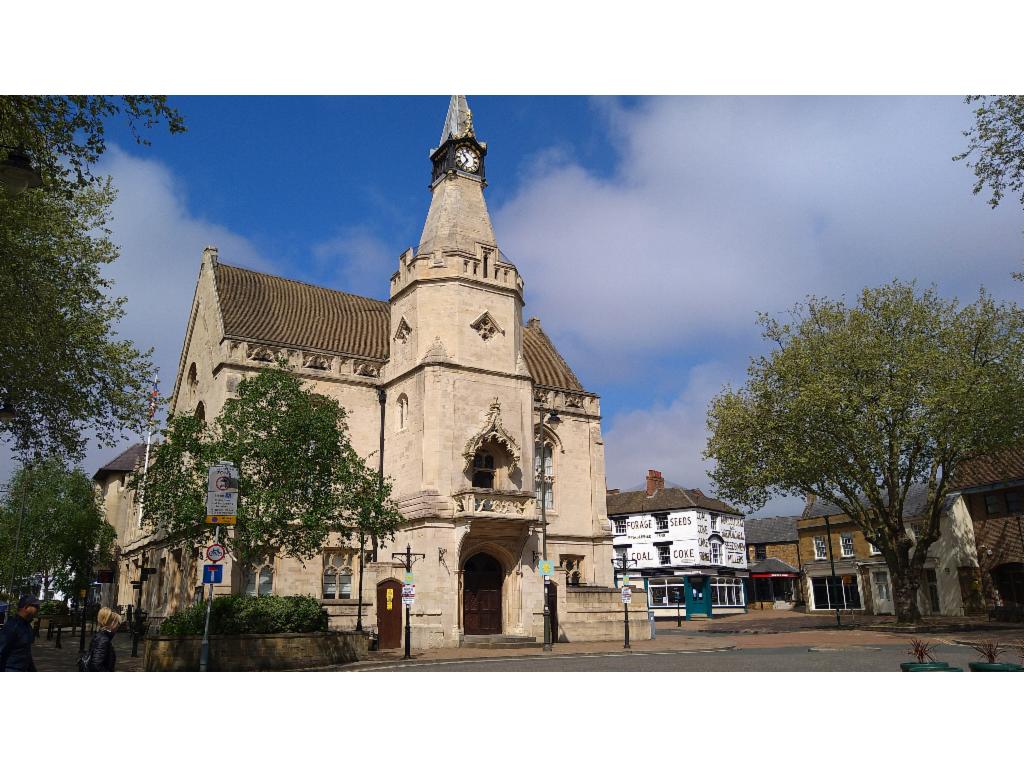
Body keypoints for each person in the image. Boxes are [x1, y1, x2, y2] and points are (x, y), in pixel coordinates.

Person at [0, 595, 40, 672]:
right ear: (26, 607)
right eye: (36, 606)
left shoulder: (27, 626)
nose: (38, 609)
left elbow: (26, 652)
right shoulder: (12, 626)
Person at [84, 607, 122, 672]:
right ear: (112, 623)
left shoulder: (102, 636)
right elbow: (96, 665)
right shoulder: (103, 639)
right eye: (117, 623)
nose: (118, 626)